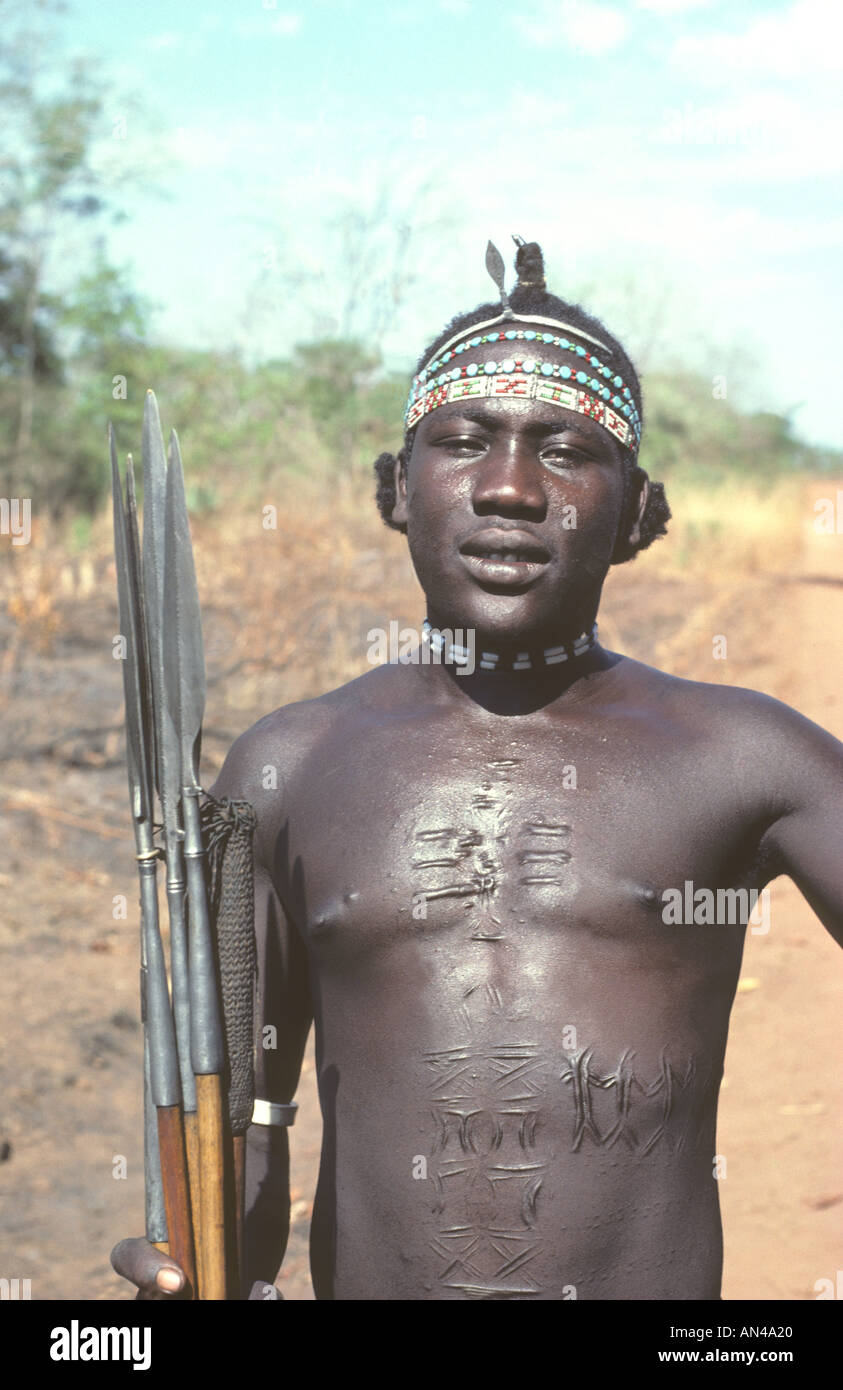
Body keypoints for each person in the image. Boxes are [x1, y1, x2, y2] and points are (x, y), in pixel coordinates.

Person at [112, 239, 843, 1301]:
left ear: (637, 511)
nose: (508, 487)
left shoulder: (744, 756)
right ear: (396, 488)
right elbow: (242, 1115)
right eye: (463, 442)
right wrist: (193, 1265)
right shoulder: (287, 767)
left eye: (563, 450)